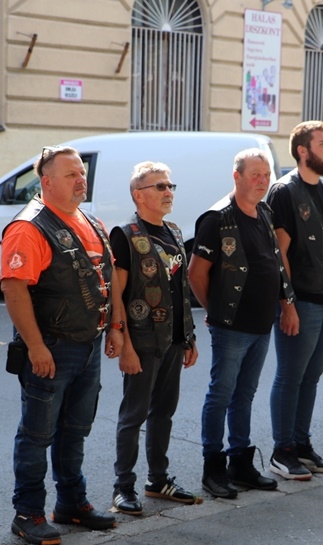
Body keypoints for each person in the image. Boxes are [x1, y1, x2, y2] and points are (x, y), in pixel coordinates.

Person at [1, 145, 125, 545]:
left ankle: (72, 503)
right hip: (52, 348)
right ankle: (28, 513)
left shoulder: (89, 220)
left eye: (81, 173)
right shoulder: (29, 227)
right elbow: (14, 290)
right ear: (47, 181)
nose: (80, 180)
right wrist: (36, 347)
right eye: (71, 174)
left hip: (88, 345)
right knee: (37, 434)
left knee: (75, 429)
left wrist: (116, 327)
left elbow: (110, 279)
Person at [188, 149, 292, 498]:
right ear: (237, 176)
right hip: (231, 327)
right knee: (221, 395)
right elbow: (196, 274)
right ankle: (213, 468)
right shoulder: (216, 219)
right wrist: (216, 311)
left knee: (244, 395)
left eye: (266, 175)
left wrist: (287, 305)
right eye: (255, 174)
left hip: (262, 324)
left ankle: (241, 463)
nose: (262, 181)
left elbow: (276, 263)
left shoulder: (264, 211)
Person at [108, 162, 199, 515]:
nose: (168, 192)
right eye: (159, 186)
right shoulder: (125, 235)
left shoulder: (174, 231)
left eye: (170, 186)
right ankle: (123, 487)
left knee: (164, 413)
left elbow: (181, 288)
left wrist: (188, 337)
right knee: (133, 416)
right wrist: (124, 344)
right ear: (138, 195)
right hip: (142, 342)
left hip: (173, 340)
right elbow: (116, 295)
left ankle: (158, 480)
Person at [265, 121, 323, 481]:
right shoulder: (284, 192)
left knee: (311, 377)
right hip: (302, 302)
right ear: (303, 151)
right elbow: (280, 253)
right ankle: (282, 451)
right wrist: (287, 304)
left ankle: (301, 444)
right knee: (290, 376)